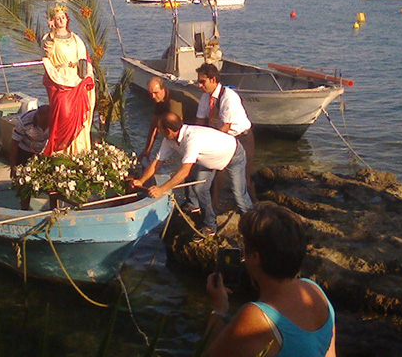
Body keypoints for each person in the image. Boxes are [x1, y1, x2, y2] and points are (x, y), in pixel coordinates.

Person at [204, 202, 336, 357]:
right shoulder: (315, 291)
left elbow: (207, 354)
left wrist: (218, 310)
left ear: (255, 257)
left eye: (244, 246)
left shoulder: (255, 316)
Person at [130, 112, 253, 238]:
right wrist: (141, 181)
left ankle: (252, 222)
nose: (158, 131)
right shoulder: (169, 140)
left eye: (160, 128)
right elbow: (157, 162)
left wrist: (161, 189)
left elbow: (185, 171)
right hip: (208, 160)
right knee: (200, 188)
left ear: (168, 130)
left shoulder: (191, 138)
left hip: (233, 154)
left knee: (239, 194)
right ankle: (210, 225)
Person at [195, 63, 256, 202]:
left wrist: (209, 146)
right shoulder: (206, 97)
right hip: (222, 135)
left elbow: (225, 127)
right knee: (217, 173)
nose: (199, 85)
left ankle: (253, 205)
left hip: (241, 138)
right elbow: (199, 121)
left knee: (244, 177)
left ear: (213, 80)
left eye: (202, 81)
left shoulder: (229, 98)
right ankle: (215, 204)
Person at [40, 3, 95, 155]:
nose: (61, 20)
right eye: (57, 18)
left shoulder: (76, 39)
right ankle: (61, 151)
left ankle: (78, 151)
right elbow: (47, 51)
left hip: (77, 80)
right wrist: (51, 32)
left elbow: (85, 60)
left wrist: (88, 76)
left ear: (67, 19)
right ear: (53, 21)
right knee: (63, 114)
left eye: (63, 17)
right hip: (61, 81)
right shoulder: (49, 39)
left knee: (80, 117)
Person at [139, 77, 184, 164]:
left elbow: (175, 130)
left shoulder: (174, 102)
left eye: (156, 93)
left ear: (164, 89)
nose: (153, 96)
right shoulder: (159, 100)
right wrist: (147, 149)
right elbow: (154, 125)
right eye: (150, 93)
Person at [7, 105, 51, 179]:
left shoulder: (56, 120)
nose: (44, 127)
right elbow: (14, 144)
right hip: (25, 149)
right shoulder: (24, 122)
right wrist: (13, 167)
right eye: (43, 124)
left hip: (45, 149)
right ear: (38, 117)